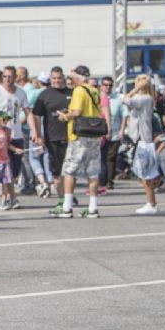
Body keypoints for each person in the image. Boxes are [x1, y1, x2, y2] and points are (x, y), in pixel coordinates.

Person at [52, 65, 102, 218]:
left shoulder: (79, 90)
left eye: (72, 76)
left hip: (79, 136)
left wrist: (65, 116)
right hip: (94, 135)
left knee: (70, 171)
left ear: (78, 77)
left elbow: (77, 112)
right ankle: (93, 208)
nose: (70, 79)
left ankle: (67, 207)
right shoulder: (94, 90)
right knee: (93, 173)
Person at [0, 66, 34, 209]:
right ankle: (7, 199)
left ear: (15, 77)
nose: (7, 79)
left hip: (17, 135)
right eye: (5, 76)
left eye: (10, 76)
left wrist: (35, 132)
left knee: (14, 172)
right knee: (6, 171)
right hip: (1, 138)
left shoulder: (21, 93)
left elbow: (28, 112)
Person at [34, 67, 73, 211]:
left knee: (70, 170)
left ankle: (68, 195)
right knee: (57, 171)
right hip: (53, 137)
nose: (56, 81)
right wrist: (38, 135)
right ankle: (62, 198)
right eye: (54, 78)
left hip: (71, 137)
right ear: (50, 79)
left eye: (59, 78)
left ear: (64, 78)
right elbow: (36, 115)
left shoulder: (72, 93)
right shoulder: (44, 95)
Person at [122, 74, 159, 214]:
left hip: (143, 139)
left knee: (146, 174)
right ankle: (151, 202)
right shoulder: (147, 98)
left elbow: (125, 100)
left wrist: (134, 90)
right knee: (143, 173)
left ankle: (151, 203)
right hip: (141, 138)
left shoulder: (144, 98)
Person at [0, 112, 24, 210]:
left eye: (8, 119)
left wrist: (15, 149)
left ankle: (3, 202)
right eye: (4, 119)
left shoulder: (8, 131)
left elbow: (7, 145)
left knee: (6, 182)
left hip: (5, 160)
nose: (6, 121)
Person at [100, 76, 125, 190]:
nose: (108, 87)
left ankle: (109, 181)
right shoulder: (98, 97)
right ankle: (101, 180)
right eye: (105, 85)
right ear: (102, 86)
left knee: (111, 158)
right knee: (101, 158)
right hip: (100, 133)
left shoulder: (118, 99)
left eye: (110, 85)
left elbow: (124, 115)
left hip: (114, 132)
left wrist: (122, 130)